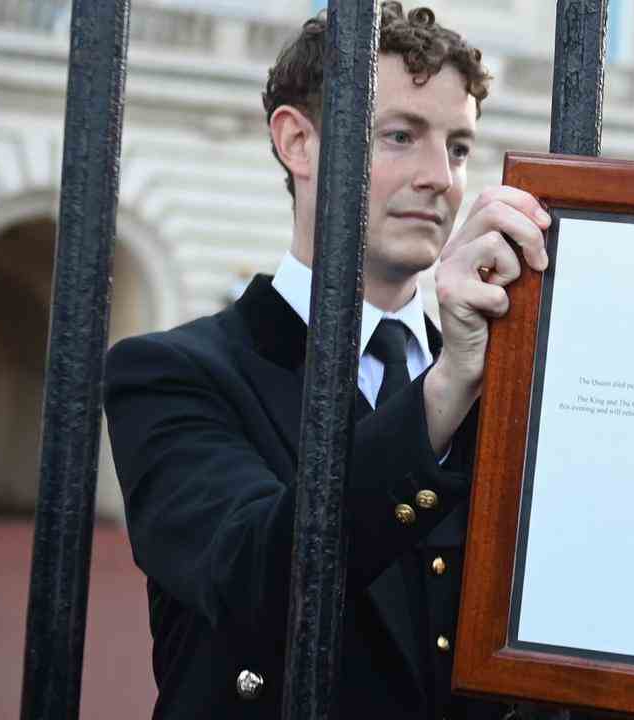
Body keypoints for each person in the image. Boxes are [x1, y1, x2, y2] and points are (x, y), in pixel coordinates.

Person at [103, 4, 551, 718]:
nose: (441, 177)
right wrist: (442, 395)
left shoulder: (499, 383)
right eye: (401, 135)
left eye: (460, 147)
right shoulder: (172, 372)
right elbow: (256, 577)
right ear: (297, 142)